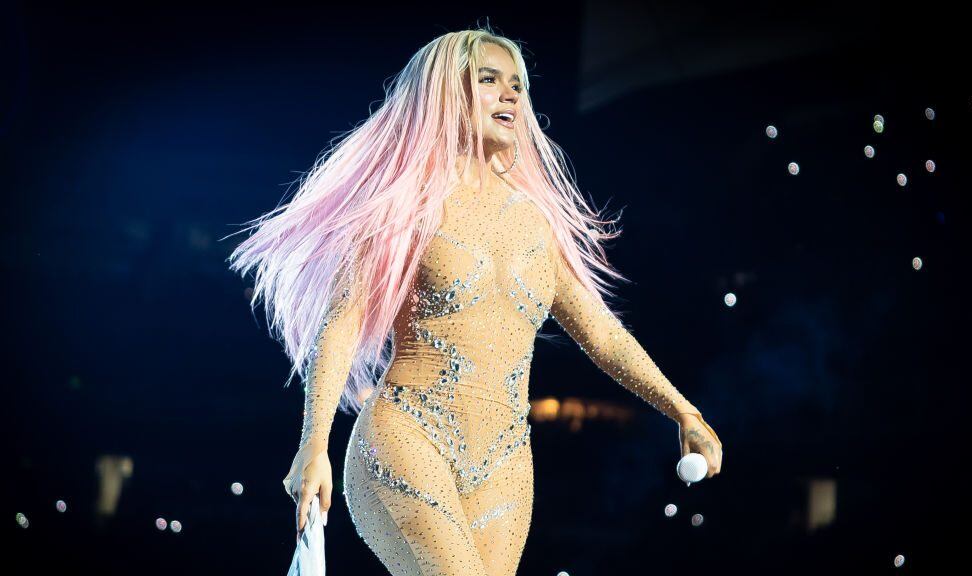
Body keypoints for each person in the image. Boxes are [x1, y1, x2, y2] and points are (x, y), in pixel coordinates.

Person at [227, 25, 722, 576]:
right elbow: (341, 323)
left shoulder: (536, 221)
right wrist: (313, 446)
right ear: (445, 93)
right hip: (406, 438)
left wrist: (683, 411)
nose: (510, 94)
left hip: (506, 463)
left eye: (517, 84)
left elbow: (603, 335)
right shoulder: (401, 207)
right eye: (489, 79)